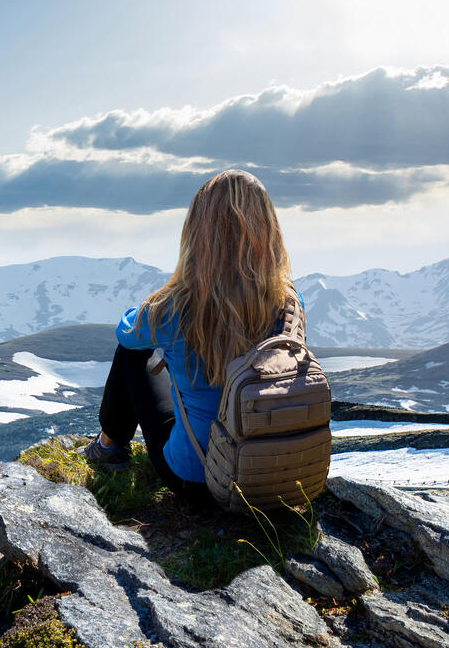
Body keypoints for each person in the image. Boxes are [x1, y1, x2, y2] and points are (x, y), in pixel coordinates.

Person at [84, 170, 298, 509]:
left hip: (198, 478)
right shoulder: (287, 302)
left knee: (132, 354)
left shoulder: (178, 305)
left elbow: (126, 331)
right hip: (275, 476)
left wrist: (166, 292)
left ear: (198, 233)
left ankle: (109, 446)